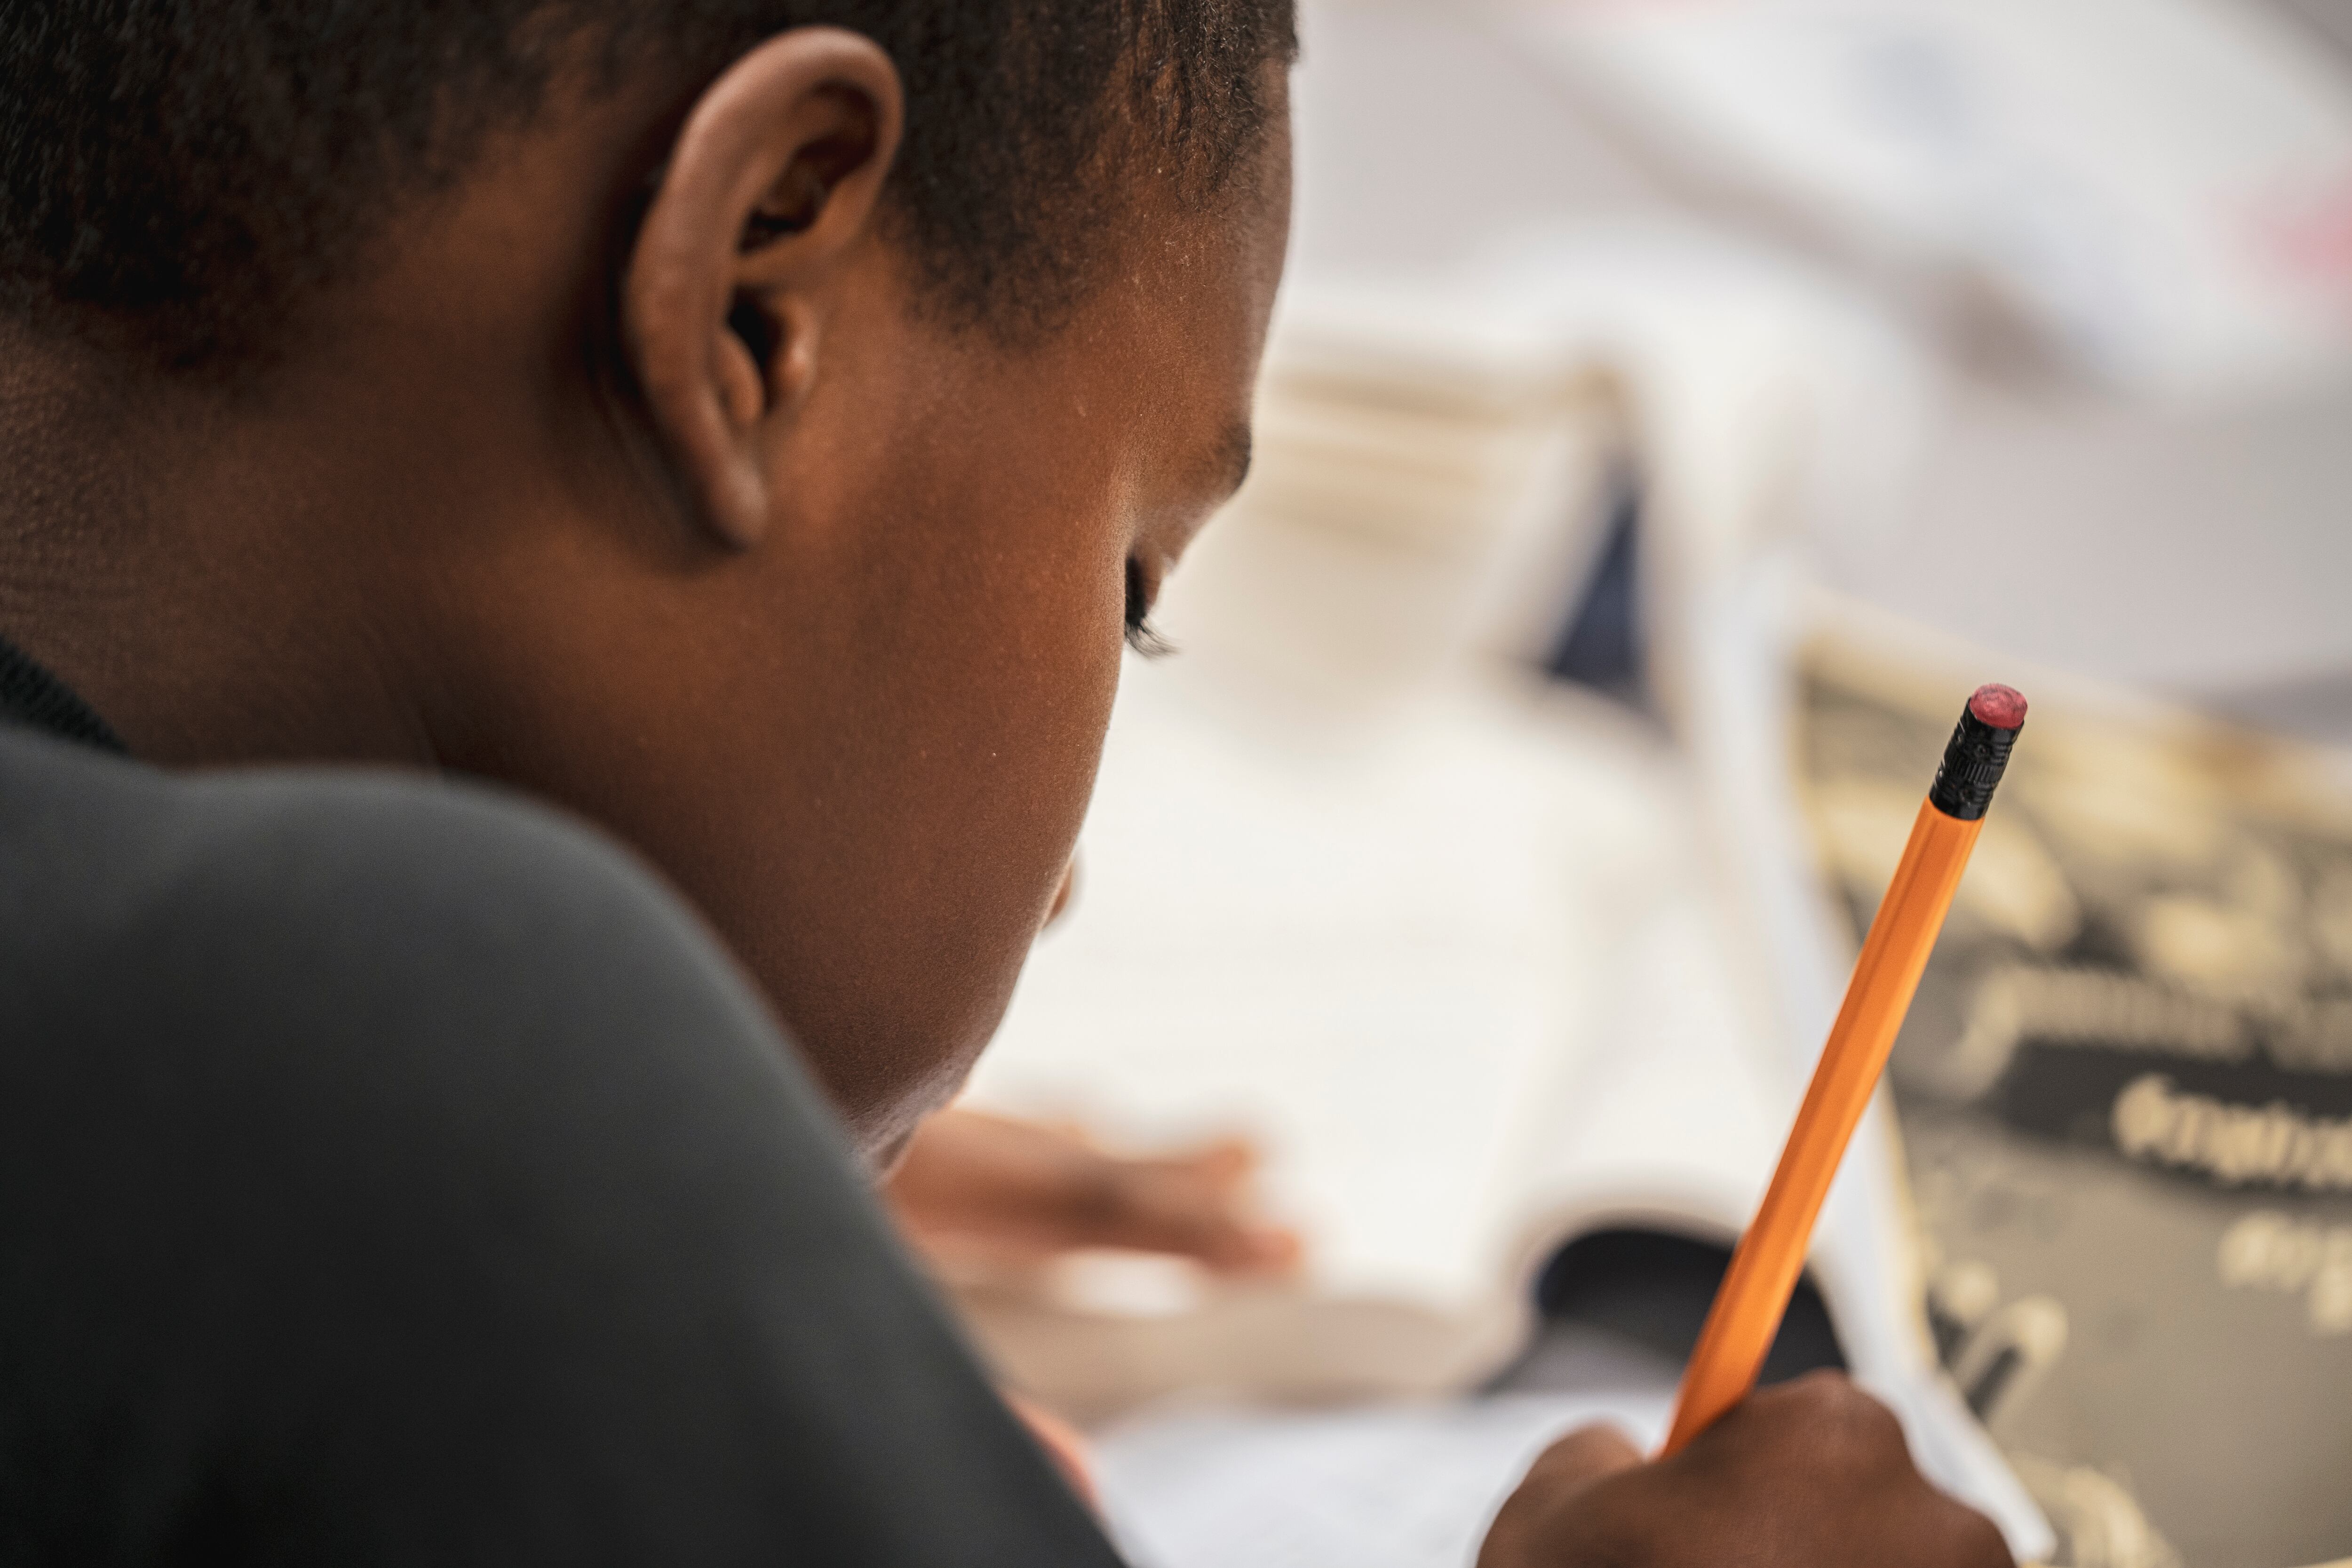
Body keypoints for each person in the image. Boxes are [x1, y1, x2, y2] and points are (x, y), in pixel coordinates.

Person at [0, 2, 2011, 1564]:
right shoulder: (436, 1097)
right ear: (754, 299)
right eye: (1133, 589)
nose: (1062, 890)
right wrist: (616, 1189)